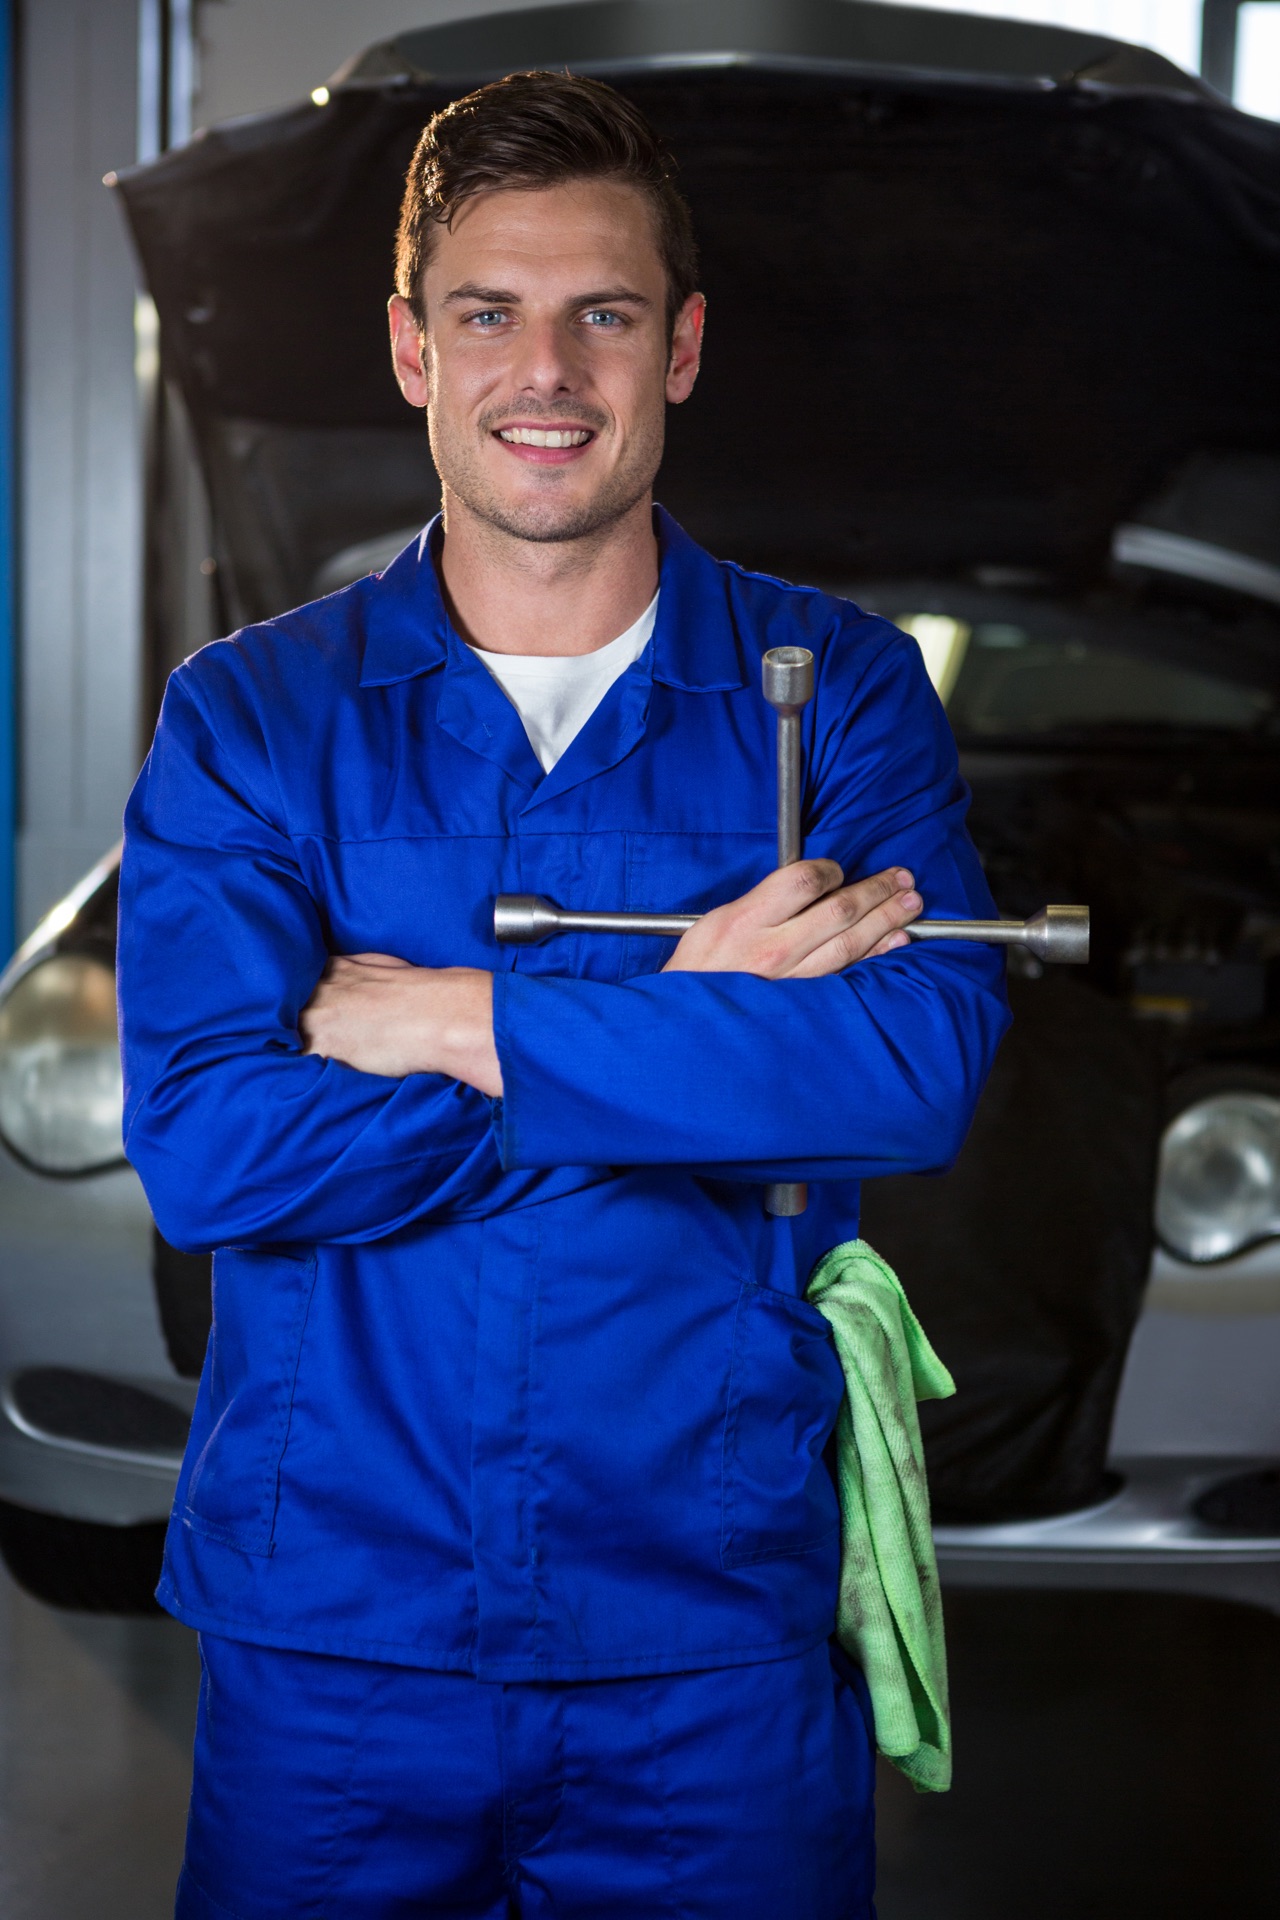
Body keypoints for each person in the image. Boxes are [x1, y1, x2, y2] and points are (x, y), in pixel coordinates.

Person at [118, 69, 1008, 1920]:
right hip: (339, 1634)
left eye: (603, 311)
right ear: (408, 349)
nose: (549, 367)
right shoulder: (254, 720)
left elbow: (913, 1068)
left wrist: (460, 1021)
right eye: (488, 313)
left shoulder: (835, 695)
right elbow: (212, 1154)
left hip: (708, 1617)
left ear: (680, 347)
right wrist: (705, 1024)